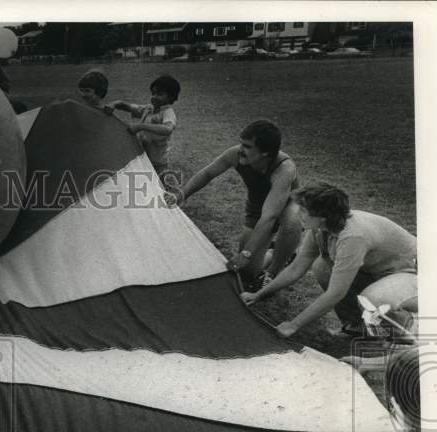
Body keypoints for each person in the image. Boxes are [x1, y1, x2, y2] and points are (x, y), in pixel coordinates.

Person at [241, 182, 418, 339]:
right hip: (379, 269)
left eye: (304, 211)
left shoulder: (353, 236)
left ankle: (404, 331)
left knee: (373, 298)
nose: (298, 214)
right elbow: (296, 268)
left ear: (323, 216)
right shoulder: (320, 228)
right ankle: (356, 326)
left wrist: (294, 325)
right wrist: (259, 295)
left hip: (414, 272)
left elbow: (336, 293)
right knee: (322, 267)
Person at [177, 119, 301, 290]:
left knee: (292, 222)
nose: (241, 149)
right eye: (241, 143)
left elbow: (270, 216)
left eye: (248, 146)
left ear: (265, 153)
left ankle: (274, 272)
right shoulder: (235, 154)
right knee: (248, 272)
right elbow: (207, 173)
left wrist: (246, 253)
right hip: (259, 205)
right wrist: (182, 195)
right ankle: (273, 252)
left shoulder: (284, 168)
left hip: (286, 204)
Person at [104, 74, 180, 178]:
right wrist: (117, 103)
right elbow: (130, 107)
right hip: (142, 158)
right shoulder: (148, 109)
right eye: (153, 93)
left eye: (159, 94)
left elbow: (167, 129)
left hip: (158, 162)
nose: (154, 97)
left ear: (171, 97)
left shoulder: (168, 112)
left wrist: (141, 126)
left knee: (159, 186)